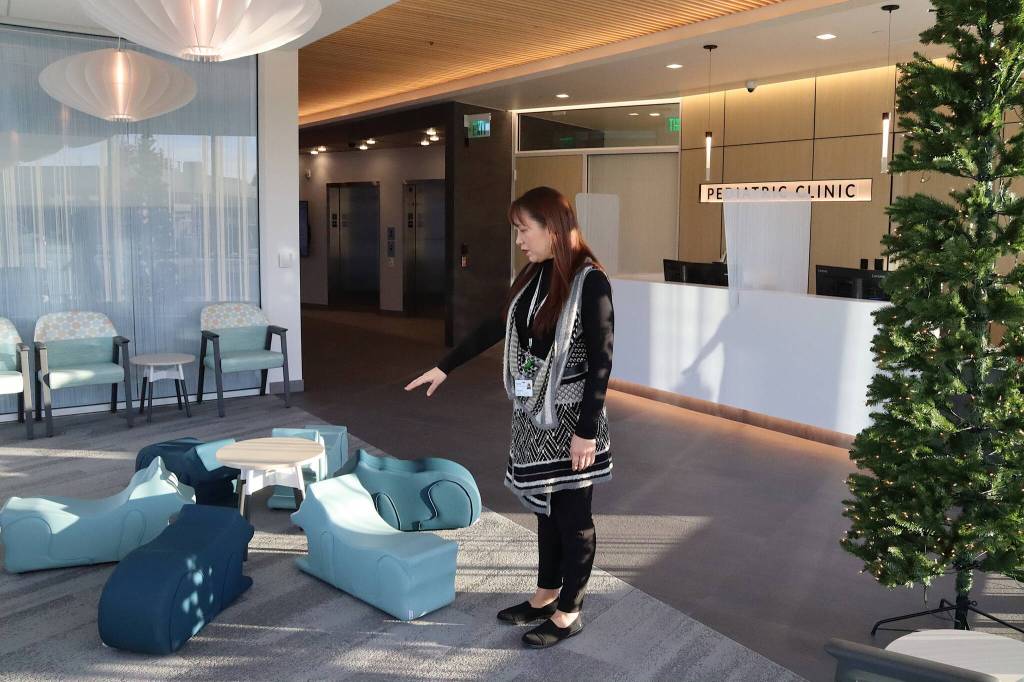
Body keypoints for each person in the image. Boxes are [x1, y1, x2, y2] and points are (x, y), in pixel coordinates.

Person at [405, 185, 614, 649]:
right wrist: (445, 366)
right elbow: (495, 324)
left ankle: (569, 611)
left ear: (552, 229)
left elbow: (601, 360)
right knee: (546, 510)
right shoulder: (536, 274)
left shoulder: (590, 280)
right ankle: (546, 593)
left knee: (574, 516)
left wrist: (585, 433)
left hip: (573, 418)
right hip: (535, 416)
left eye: (524, 230)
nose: (520, 240)